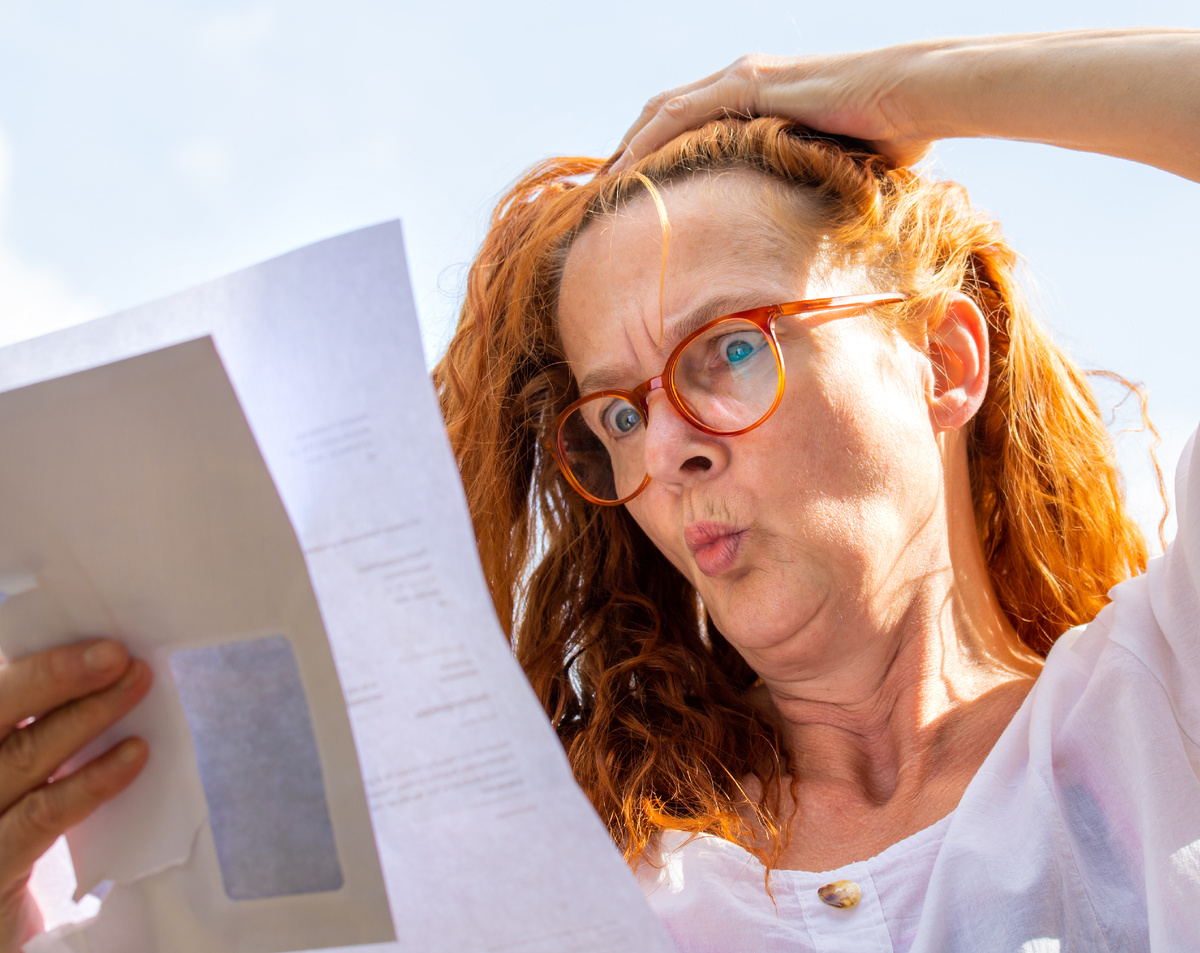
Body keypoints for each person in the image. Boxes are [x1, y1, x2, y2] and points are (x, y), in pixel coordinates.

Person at [1, 27, 1197, 953]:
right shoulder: (579, 877)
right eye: (618, 413)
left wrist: (896, 90)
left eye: (728, 348)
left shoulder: (1162, 703)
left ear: (943, 358)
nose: (666, 447)